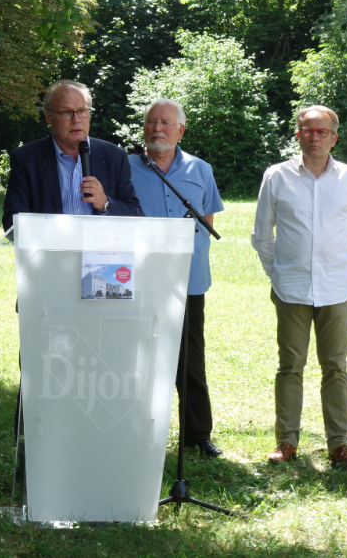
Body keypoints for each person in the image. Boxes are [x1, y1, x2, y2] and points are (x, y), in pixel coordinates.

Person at [251, 105, 347, 467]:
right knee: (290, 366)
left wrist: (332, 265)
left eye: (322, 132)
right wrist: (278, 272)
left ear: (335, 136)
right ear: (297, 133)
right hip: (291, 288)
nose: (314, 137)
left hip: (334, 288)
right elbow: (261, 234)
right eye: (307, 131)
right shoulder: (277, 176)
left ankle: (338, 445)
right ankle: (286, 441)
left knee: (335, 366)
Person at [128, 99, 224, 457]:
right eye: (151, 122)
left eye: (166, 122)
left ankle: (197, 435)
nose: (157, 128)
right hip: (138, 279)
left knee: (190, 358)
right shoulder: (125, 168)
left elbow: (208, 220)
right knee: (138, 357)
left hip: (188, 279)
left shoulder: (200, 169)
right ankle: (137, 428)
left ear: (180, 130)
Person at [2, 80, 142, 232]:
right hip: (51, 253)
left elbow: (135, 215)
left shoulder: (114, 156)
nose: (76, 120)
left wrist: (105, 203)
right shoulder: (26, 158)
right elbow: (12, 222)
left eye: (82, 111)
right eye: (66, 113)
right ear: (49, 118)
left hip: (100, 252)